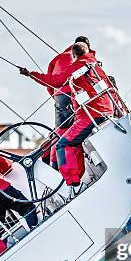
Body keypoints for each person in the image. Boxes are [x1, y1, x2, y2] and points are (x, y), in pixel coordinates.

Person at [20, 42, 114, 186]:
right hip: (108, 110)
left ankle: (73, 183)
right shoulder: (96, 64)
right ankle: (79, 174)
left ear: (74, 55)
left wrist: (30, 74)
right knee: (72, 140)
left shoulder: (76, 65)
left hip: (90, 115)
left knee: (63, 143)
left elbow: (54, 81)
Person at [43, 36, 91, 168]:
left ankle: (55, 168)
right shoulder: (87, 58)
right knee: (82, 128)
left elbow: (49, 83)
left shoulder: (57, 58)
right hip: (78, 93)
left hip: (60, 96)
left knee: (61, 133)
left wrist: (57, 98)